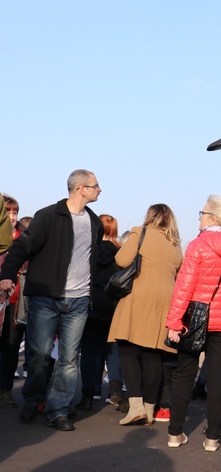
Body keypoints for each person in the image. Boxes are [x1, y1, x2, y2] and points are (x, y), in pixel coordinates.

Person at [0, 170, 103, 431]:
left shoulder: (95, 222)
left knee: (69, 359)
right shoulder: (48, 216)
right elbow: (21, 247)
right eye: (95, 186)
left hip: (79, 300)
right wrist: (7, 275)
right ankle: (34, 400)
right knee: (39, 354)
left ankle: (58, 409)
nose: (100, 190)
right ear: (81, 188)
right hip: (46, 297)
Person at [166, 195, 221, 452]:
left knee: (184, 374)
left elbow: (184, 287)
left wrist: (174, 322)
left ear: (212, 217)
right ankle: (213, 438)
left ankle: (175, 433)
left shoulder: (198, 245)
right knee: (217, 377)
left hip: (195, 318)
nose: (199, 217)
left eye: (201, 212)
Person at [108, 204, 183, 426]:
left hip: (138, 298)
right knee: (153, 355)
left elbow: (121, 260)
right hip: (165, 301)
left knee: (128, 350)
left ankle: (136, 407)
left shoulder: (139, 232)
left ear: (150, 216)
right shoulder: (175, 244)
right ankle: (150, 409)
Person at [76, 214, 123, 411]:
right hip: (114, 308)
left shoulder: (88, 252)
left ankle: (90, 391)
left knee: (90, 350)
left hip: (91, 304)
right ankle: (115, 389)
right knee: (113, 350)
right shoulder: (121, 255)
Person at [0, 195, 27, 408]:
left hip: (15, 302)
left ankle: (6, 389)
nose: (12, 217)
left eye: (14, 212)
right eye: (8, 212)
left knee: (10, 348)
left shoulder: (24, 237)